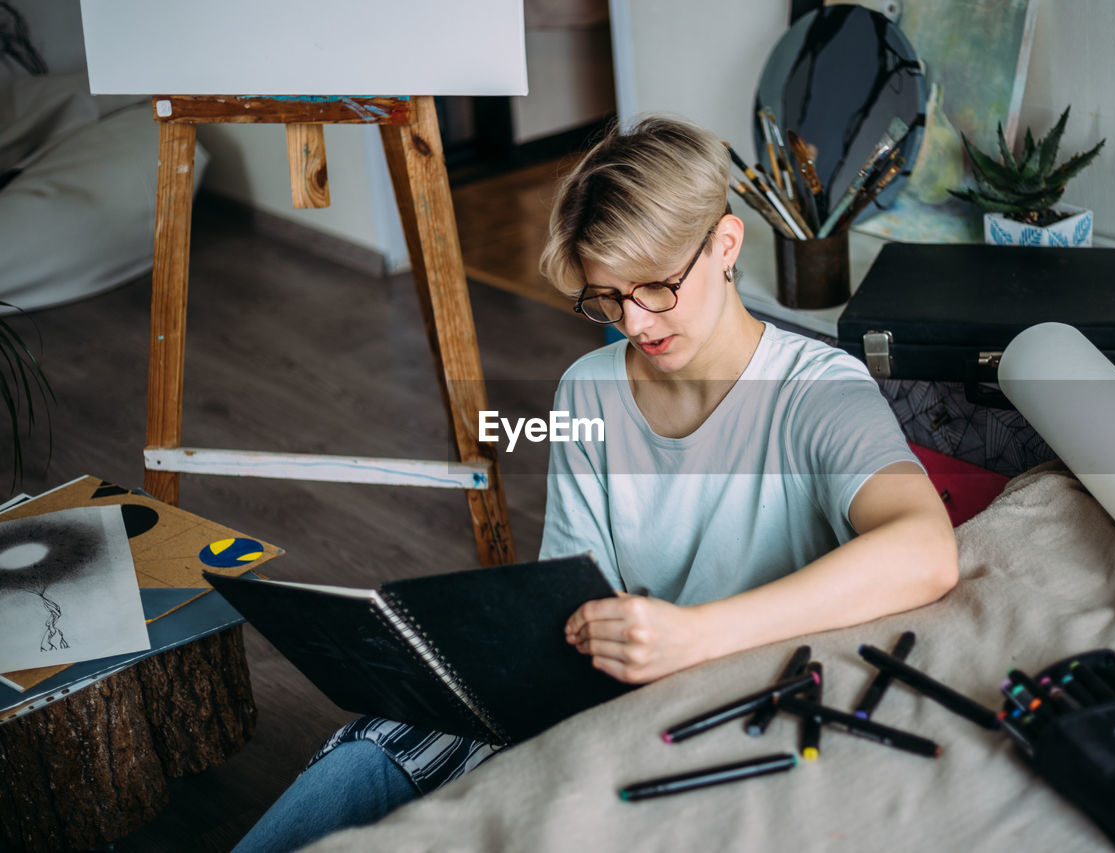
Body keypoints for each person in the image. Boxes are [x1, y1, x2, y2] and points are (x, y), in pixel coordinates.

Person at [233, 115, 957, 853]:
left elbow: (926, 549)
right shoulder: (588, 389)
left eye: (656, 287)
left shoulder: (819, 390)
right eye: (607, 297)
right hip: (613, 681)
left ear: (726, 246)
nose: (635, 322)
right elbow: (575, 590)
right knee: (382, 740)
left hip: (743, 690)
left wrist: (696, 634)